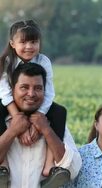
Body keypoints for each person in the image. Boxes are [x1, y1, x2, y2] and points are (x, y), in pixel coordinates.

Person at [0, 19, 67, 178]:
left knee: (59, 111)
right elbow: (4, 92)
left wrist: (39, 119)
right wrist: (16, 117)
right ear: (12, 43)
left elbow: (49, 91)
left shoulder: (43, 61)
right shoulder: (6, 62)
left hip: (37, 103)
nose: (29, 46)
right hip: (10, 103)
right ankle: (2, 166)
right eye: (23, 42)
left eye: (33, 42)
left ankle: (50, 166)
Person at [0, 63, 81, 188]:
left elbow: (73, 169)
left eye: (38, 88)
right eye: (24, 87)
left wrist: (46, 130)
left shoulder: (55, 124)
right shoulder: (2, 122)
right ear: (12, 90)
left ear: (45, 90)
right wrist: (12, 131)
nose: (31, 94)